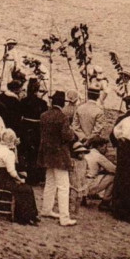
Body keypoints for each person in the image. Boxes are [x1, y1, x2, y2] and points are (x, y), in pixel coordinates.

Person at [38, 90, 77, 226]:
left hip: (46, 152)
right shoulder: (63, 117)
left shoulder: (44, 115)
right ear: (62, 103)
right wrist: (72, 131)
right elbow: (68, 136)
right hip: (59, 154)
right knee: (63, 186)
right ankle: (64, 218)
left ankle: (46, 209)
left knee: (50, 182)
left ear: (52, 102)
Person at [0, 129, 40, 225]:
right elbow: (12, 172)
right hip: (4, 181)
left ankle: (30, 215)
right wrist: (20, 179)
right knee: (26, 189)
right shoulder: (9, 153)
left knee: (24, 188)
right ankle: (26, 217)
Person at [82, 137, 115, 207]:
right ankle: (105, 202)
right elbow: (113, 169)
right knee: (113, 176)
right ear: (99, 146)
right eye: (105, 147)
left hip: (81, 185)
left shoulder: (86, 152)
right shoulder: (98, 156)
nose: (106, 149)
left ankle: (84, 197)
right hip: (89, 187)